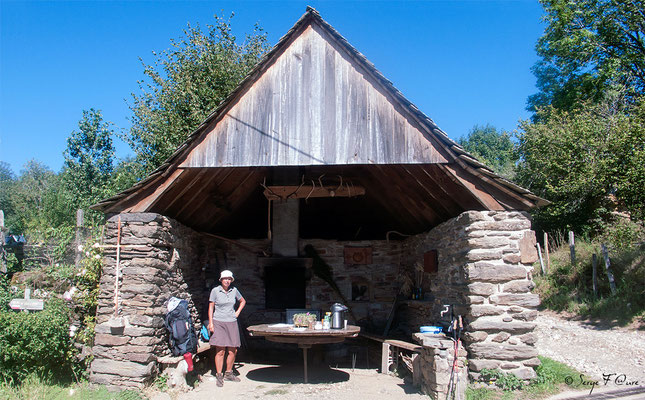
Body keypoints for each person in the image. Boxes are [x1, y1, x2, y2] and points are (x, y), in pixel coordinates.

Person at [208, 269, 246, 387]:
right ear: (221, 280)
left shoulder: (234, 291)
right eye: (225, 279)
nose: (227, 281)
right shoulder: (215, 291)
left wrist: (237, 312)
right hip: (219, 322)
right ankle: (219, 375)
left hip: (231, 322)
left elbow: (243, 301)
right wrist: (211, 323)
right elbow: (211, 308)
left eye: (229, 279)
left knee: (233, 349)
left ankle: (228, 373)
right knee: (220, 350)